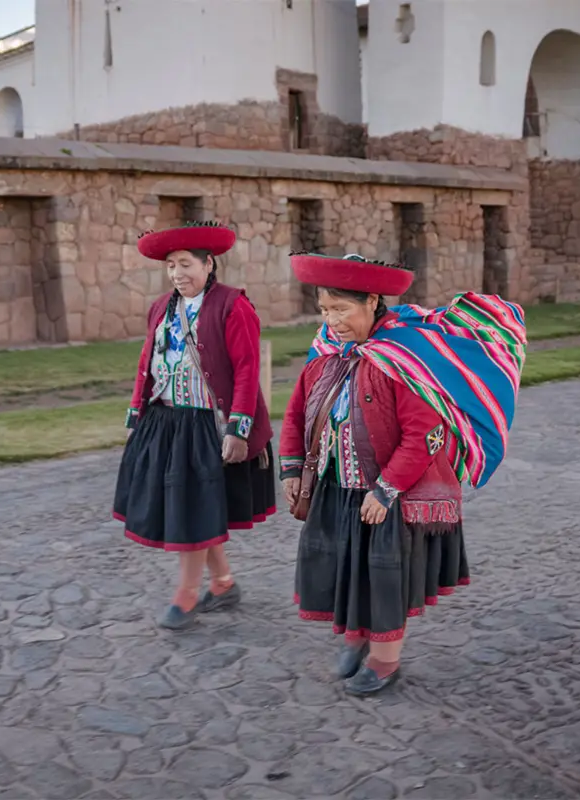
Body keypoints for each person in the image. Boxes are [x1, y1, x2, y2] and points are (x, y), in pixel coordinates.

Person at [280, 252, 526, 695]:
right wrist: (293, 468)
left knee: (384, 576)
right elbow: (298, 411)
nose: (331, 320)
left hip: (387, 496)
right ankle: (356, 636)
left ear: (372, 301)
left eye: (341, 309)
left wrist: (386, 489)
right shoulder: (326, 352)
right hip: (337, 489)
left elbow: (424, 436)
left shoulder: (403, 356)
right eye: (324, 310)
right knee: (344, 566)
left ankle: (384, 660)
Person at [114, 221, 276, 630]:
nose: (177, 274)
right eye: (171, 266)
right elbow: (146, 361)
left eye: (185, 264)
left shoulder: (232, 305)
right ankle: (222, 583)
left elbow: (246, 369)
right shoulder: (160, 308)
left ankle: (186, 595)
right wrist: (138, 411)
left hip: (207, 424)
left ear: (209, 264)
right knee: (192, 509)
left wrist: (238, 428)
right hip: (166, 421)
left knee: (190, 511)